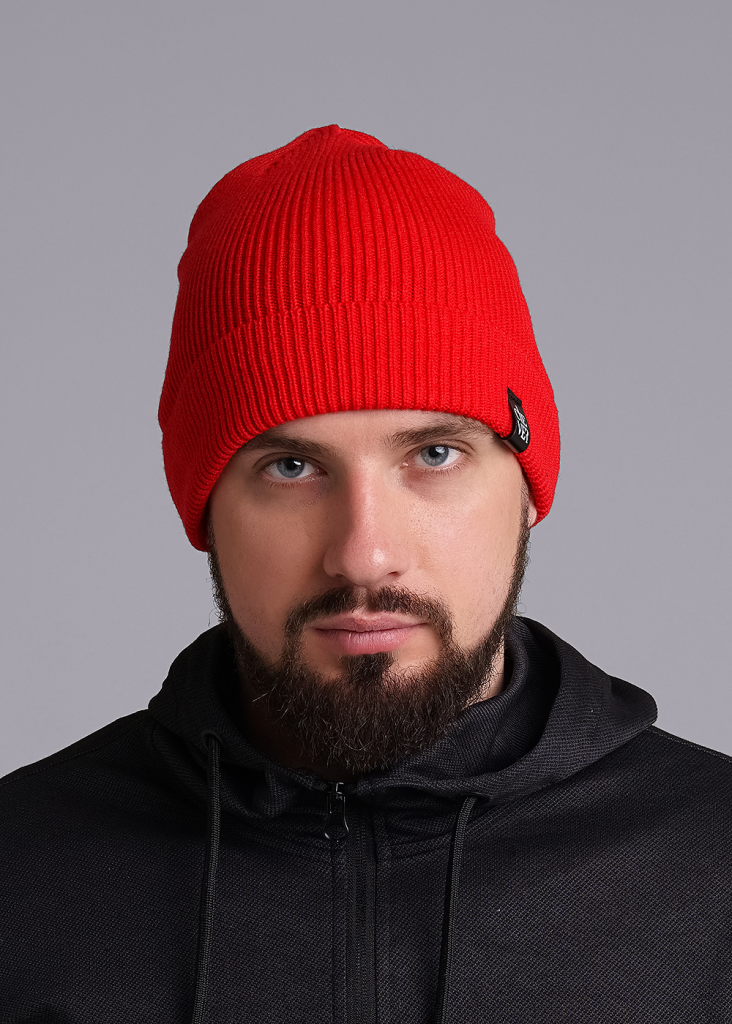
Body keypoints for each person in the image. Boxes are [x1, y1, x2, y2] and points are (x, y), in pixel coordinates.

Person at [1, 125, 730, 1023]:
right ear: (204, 506)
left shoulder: (716, 872)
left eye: (433, 454)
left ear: (528, 487)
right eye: (291, 468)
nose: (363, 553)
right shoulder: (20, 875)